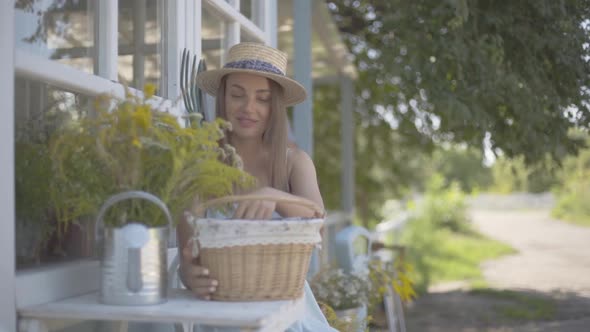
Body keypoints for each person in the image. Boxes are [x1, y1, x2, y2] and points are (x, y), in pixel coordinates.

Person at [176, 42, 337, 332]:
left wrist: (274, 195)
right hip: (219, 319)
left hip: (285, 319)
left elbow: (319, 225)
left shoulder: (294, 163)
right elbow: (189, 255)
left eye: (262, 98)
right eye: (237, 94)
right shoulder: (198, 167)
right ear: (222, 97)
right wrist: (189, 274)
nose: (249, 108)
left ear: (274, 106)